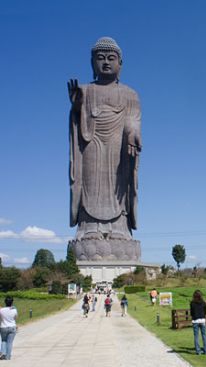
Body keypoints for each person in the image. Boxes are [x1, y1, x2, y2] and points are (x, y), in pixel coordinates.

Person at [67, 36, 141, 251]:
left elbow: (133, 120)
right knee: (90, 183)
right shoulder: (85, 90)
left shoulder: (130, 94)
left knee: (120, 185)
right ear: (93, 63)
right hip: (91, 144)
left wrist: (134, 134)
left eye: (111, 58)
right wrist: (77, 107)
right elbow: (76, 123)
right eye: (100, 58)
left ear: (120, 63)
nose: (106, 62)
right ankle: (89, 227)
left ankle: (120, 228)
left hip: (119, 147)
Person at [190, 290, 206, 355]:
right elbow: (205, 312)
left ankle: (198, 351)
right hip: (202, 320)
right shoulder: (203, 302)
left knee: (196, 336)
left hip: (195, 320)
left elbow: (192, 312)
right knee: (204, 336)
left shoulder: (192, 303)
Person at [0, 296, 17, 360]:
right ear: (12, 302)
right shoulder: (14, 310)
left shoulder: (1, 310)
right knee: (10, 342)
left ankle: (3, 353)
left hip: (3, 327)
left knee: (3, 341)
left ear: (5, 302)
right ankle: (8, 356)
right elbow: (15, 318)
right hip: (12, 327)